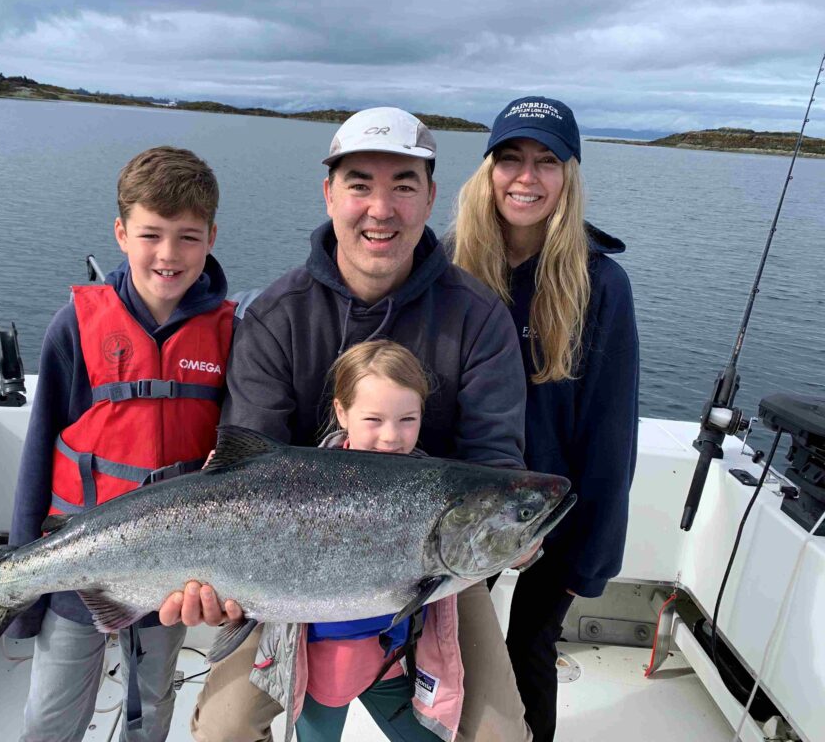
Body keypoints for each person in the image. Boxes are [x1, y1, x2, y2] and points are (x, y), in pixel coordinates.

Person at [161, 108, 533, 742]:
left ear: (431, 198)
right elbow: (245, 470)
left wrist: (517, 533)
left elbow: (495, 465)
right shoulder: (278, 316)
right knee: (220, 734)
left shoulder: (478, 319)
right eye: (360, 183)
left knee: (500, 737)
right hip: (277, 567)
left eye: (404, 186)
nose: (380, 209)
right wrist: (215, 583)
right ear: (328, 193)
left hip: (434, 569)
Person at [6, 146, 235, 742]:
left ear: (212, 235)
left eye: (187, 237)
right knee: (51, 715)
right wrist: (24, 591)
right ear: (120, 231)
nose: (168, 255)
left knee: (152, 706)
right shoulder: (73, 328)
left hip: (175, 571)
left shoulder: (234, 333)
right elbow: (38, 460)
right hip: (81, 559)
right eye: (150, 234)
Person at [450, 96, 640, 742]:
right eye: (510, 158)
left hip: (553, 512)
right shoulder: (452, 263)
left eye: (545, 161)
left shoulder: (602, 286)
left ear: (569, 175)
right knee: (444, 643)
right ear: (488, 170)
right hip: (465, 504)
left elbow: (611, 434)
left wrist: (589, 560)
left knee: (530, 647)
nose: (525, 177)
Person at [296, 339, 455, 742]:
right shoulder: (304, 487)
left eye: (407, 419)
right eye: (373, 420)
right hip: (325, 670)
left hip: (393, 660)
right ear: (341, 412)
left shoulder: (432, 485)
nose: (391, 437)